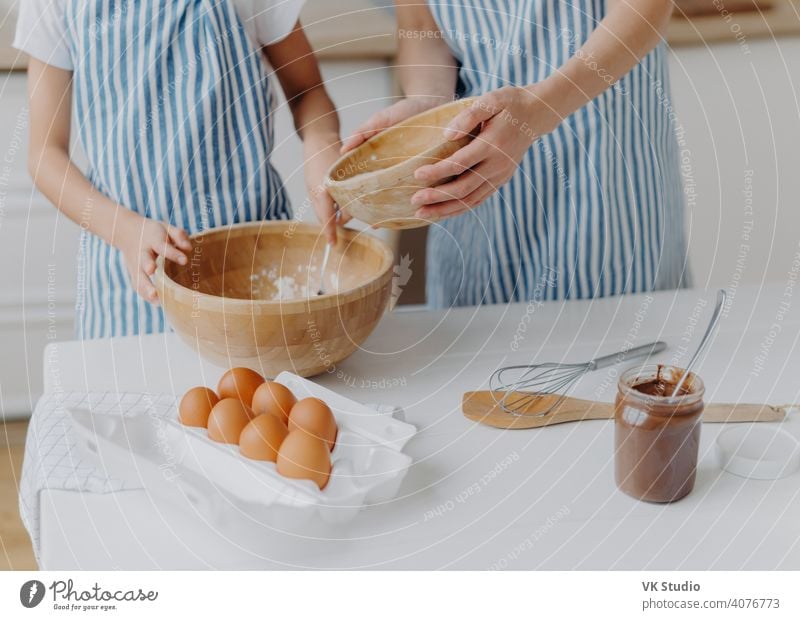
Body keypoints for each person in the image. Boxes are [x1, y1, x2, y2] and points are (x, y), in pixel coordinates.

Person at [17, 0, 343, 338]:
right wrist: (125, 231)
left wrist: (322, 142)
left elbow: (307, 90)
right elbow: (45, 155)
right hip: (128, 285)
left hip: (257, 267)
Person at [342, 0, 688, 308]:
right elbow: (420, 25)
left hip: (601, 158)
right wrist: (429, 107)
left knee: (617, 355)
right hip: (477, 186)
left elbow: (645, 7)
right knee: (479, 359)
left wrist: (541, 108)